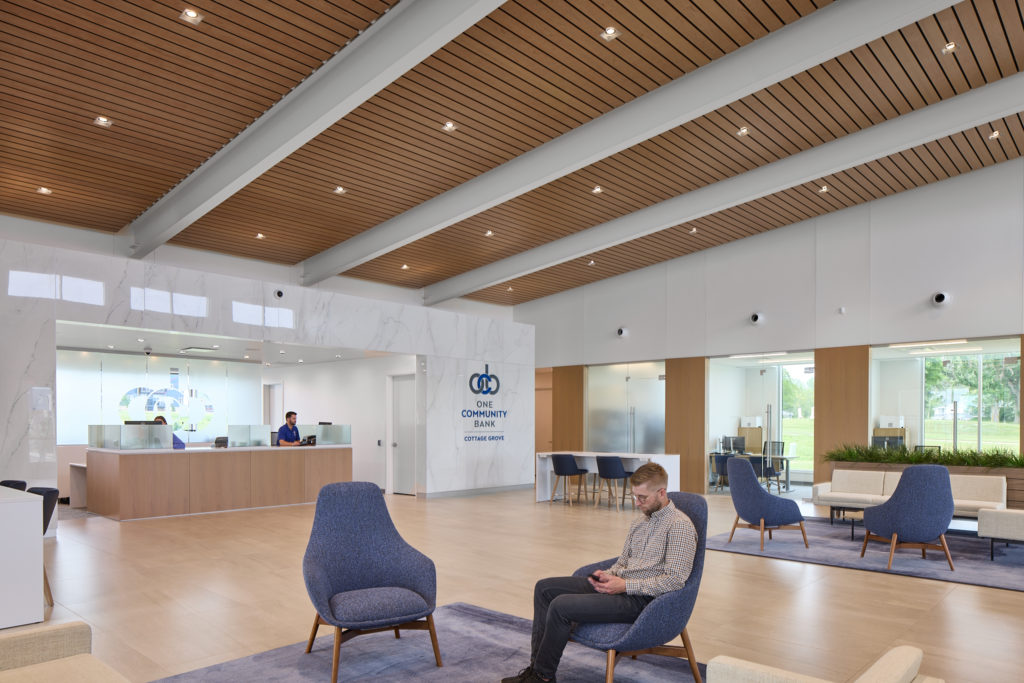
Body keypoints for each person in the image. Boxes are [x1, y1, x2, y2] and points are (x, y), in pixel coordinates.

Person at [502, 462, 697, 683]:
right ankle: (536, 670)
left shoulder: (680, 526)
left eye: (642, 498)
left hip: (642, 602)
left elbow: (675, 580)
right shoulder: (640, 523)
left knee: (561, 606)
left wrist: (624, 586)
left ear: (661, 493)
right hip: (619, 586)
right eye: (635, 496)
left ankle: (543, 678)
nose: (637, 503)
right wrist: (608, 574)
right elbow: (623, 561)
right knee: (544, 588)